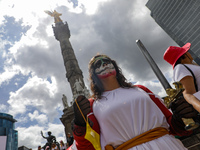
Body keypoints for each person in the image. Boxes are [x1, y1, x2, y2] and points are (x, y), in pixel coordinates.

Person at [69, 54, 197, 150]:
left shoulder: (141, 89)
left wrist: (180, 118)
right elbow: (87, 147)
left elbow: (172, 124)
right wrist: (79, 124)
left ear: (115, 66)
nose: (104, 65)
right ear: (93, 75)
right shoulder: (92, 105)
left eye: (107, 61)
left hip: (168, 145)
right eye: (98, 64)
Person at [164, 43, 200, 113]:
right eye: (186, 52)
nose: (189, 53)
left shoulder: (191, 66)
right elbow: (189, 94)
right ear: (183, 57)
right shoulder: (180, 68)